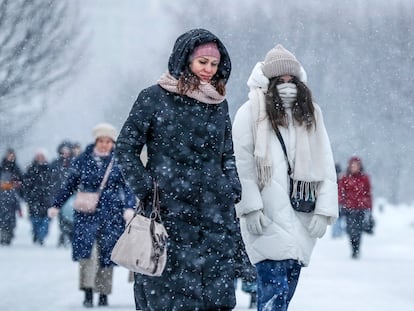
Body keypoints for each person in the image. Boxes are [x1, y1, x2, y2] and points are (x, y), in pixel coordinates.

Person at [115, 28, 242, 311]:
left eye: (214, 64)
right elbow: (125, 148)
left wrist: (231, 186)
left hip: (214, 217)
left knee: (214, 297)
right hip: (167, 214)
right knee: (167, 296)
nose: (209, 69)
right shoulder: (153, 97)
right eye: (202, 62)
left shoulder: (218, 104)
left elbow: (227, 152)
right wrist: (147, 188)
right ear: (185, 60)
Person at [232, 44, 338, 311]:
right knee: (272, 293)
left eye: (292, 80)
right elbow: (241, 165)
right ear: (268, 81)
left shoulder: (310, 114)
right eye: (280, 80)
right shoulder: (250, 112)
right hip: (266, 216)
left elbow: (324, 163)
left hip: (302, 215)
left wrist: (324, 211)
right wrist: (250, 207)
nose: (287, 85)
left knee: (285, 293)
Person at [48, 123, 136, 308]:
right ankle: (88, 292)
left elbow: (127, 187)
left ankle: (103, 293)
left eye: (108, 141)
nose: (104, 144)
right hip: (86, 214)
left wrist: (129, 207)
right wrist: (56, 204)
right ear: (95, 141)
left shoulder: (119, 161)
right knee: (87, 254)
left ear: (112, 143)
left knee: (106, 256)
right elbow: (69, 185)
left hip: (111, 215)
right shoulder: (82, 160)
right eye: (101, 141)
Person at [338, 156, 373, 259]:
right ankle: (353, 248)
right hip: (349, 208)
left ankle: (357, 249)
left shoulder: (365, 178)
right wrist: (341, 203)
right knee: (350, 229)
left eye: (356, 165)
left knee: (358, 229)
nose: (354, 167)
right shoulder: (345, 178)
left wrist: (370, 207)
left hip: (361, 208)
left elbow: (369, 193)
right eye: (352, 165)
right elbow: (341, 191)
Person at [22, 149, 53, 245]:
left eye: (42, 156)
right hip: (33, 198)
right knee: (35, 219)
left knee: (46, 220)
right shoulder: (30, 168)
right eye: (38, 156)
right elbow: (25, 183)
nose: (40, 158)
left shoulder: (50, 169)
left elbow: (53, 183)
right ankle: (36, 233)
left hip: (46, 199)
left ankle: (41, 236)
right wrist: (28, 194)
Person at [50, 140, 75, 247]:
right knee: (61, 216)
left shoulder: (74, 163)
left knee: (71, 215)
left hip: (72, 195)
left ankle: (70, 235)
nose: (65, 153)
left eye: (67, 151)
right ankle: (63, 234)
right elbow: (50, 179)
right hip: (58, 194)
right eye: (63, 151)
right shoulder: (55, 164)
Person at [0, 148, 23, 245]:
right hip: (2, 196)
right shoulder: (1, 166)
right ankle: (3, 235)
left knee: (11, 221)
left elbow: (21, 180)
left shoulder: (16, 168)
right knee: (2, 220)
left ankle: (9, 234)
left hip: (12, 195)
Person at [331, 163, 346, 238]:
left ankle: (336, 233)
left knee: (337, 218)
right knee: (338, 218)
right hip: (338, 202)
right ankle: (337, 233)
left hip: (337, 202)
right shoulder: (341, 180)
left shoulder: (334, 180)